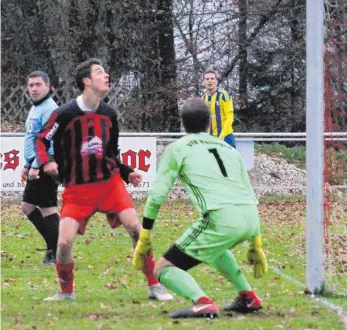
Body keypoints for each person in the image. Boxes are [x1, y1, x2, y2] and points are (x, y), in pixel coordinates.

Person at [34, 58, 172, 302]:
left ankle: (154, 285)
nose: (106, 75)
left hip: (110, 184)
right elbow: (41, 139)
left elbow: (111, 152)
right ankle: (66, 292)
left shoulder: (110, 114)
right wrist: (47, 162)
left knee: (136, 230)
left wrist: (127, 172)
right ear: (86, 81)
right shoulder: (64, 114)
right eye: (100, 72)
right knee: (64, 243)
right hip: (77, 189)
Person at [133, 98, 268, 319]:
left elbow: (157, 196)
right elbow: (249, 192)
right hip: (250, 217)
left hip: (220, 217)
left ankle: (202, 302)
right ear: (209, 123)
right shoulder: (228, 148)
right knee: (214, 249)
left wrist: (145, 236)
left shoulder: (177, 148)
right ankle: (248, 296)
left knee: (163, 269)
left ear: (183, 123)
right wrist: (256, 243)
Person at [21, 71, 59, 264]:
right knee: (27, 206)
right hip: (35, 166)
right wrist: (27, 164)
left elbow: (48, 141)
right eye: (31, 85)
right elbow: (32, 138)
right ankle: (54, 247)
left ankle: (56, 252)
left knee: (48, 209)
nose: (34, 89)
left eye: (38, 84)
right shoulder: (36, 108)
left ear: (48, 86)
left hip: (45, 166)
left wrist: (37, 165)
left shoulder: (50, 109)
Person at [202, 68, 236, 148]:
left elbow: (230, 117)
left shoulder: (224, 95)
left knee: (228, 160)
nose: (209, 81)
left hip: (225, 137)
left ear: (216, 81)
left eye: (212, 78)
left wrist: (222, 135)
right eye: (207, 79)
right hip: (210, 139)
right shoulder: (203, 98)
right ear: (204, 82)